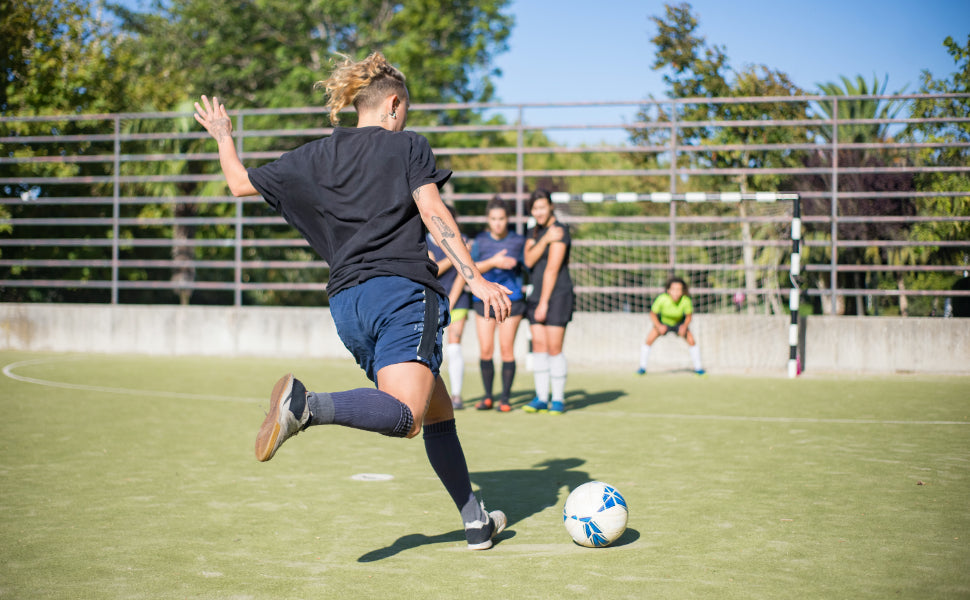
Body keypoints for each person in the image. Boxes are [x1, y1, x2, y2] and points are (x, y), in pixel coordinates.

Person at [193, 52, 510, 550]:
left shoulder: (314, 157)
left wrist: (224, 136)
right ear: (393, 104)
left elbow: (237, 183)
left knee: (437, 408)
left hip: (347, 306)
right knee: (407, 414)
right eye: (405, 110)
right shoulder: (407, 146)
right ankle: (307, 406)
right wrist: (475, 279)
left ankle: (475, 520)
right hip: (402, 293)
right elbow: (432, 209)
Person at [470, 196, 526, 412]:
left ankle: (505, 399)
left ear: (507, 219)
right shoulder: (480, 241)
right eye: (493, 219)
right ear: (488, 220)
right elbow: (471, 269)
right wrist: (494, 262)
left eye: (501, 218)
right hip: (483, 301)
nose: (498, 223)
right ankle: (487, 397)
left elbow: (529, 265)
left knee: (506, 350)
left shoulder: (518, 241)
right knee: (486, 350)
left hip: (511, 301)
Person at [522, 189, 574, 415]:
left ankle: (558, 399)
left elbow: (552, 269)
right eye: (535, 208)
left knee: (554, 348)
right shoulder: (537, 232)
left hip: (557, 295)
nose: (539, 212)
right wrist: (544, 239)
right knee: (539, 347)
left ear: (551, 206)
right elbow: (528, 260)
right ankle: (541, 397)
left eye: (543, 207)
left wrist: (544, 302)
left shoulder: (560, 230)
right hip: (535, 295)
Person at [427, 205, 474, 410]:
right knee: (430, 349)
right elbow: (432, 270)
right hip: (432, 300)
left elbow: (464, 274)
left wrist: (451, 300)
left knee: (454, 346)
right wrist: (457, 253)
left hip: (458, 300)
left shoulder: (463, 240)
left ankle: (456, 396)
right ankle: (427, 394)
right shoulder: (423, 241)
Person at [637, 276, 705, 376]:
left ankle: (698, 368)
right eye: (673, 289)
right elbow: (653, 314)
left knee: (691, 340)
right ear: (668, 290)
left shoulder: (686, 300)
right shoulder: (662, 299)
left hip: (679, 323)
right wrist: (659, 326)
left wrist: (684, 326)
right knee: (649, 340)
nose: (676, 292)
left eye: (679, 290)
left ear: (682, 291)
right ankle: (642, 368)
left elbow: (689, 317)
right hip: (663, 323)